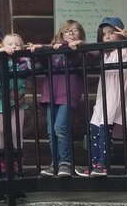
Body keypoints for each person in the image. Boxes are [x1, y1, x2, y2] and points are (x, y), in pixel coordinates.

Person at [81, 17, 127, 178]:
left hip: (116, 94)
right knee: (94, 126)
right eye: (104, 34)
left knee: (104, 128)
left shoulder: (126, 51)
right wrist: (80, 44)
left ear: (120, 34)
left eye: (111, 33)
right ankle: (94, 164)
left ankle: (103, 165)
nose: (107, 37)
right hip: (103, 96)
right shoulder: (105, 54)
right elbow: (88, 50)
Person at [35, 20, 88, 178]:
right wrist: (40, 50)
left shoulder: (79, 49)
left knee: (60, 127)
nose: (71, 34)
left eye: (75, 30)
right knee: (51, 131)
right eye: (67, 31)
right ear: (61, 34)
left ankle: (65, 162)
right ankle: (55, 163)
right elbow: (43, 62)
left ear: (81, 34)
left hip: (68, 93)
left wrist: (71, 48)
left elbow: (78, 61)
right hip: (51, 93)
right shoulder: (55, 49)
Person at [0, 30, 32, 176]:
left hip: (18, 102)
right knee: (2, 131)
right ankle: (3, 160)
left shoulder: (22, 61)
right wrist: (1, 51)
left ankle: (16, 161)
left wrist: (21, 56)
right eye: (10, 44)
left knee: (16, 131)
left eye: (17, 45)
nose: (14, 46)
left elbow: (28, 69)